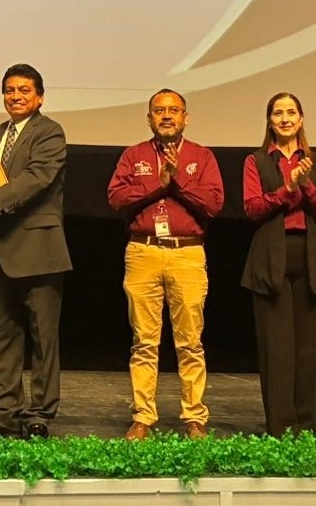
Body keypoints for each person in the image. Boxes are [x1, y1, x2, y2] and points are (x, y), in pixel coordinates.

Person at [0, 64, 72, 440]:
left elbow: (36, 178)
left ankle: (39, 414)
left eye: (24, 90)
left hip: (39, 248)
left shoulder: (50, 132)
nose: (16, 96)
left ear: (40, 97)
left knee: (43, 338)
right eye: (9, 90)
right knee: (3, 338)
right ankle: (2, 415)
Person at [106, 89, 223, 440]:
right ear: (149, 118)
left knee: (190, 342)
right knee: (144, 341)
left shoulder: (201, 156)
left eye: (174, 110)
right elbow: (115, 197)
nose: (167, 115)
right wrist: (159, 184)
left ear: (186, 117)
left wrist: (178, 181)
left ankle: (194, 417)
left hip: (187, 252)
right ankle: (143, 416)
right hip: (143, 251)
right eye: (159, 110)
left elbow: (214, 203)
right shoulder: (134, 155)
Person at [240, 92, 316, 437]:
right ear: (269, 121)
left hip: (311, 256)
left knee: (311, 349)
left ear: (301, 119)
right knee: (276, 348)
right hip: (271, 255)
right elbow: (252, 208)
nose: (284, 119)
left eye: (291, 112)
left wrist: (304, 183)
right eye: (278, 113)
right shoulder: (256, 161)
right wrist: (287, 187)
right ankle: (281, 428)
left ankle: (313, 427)